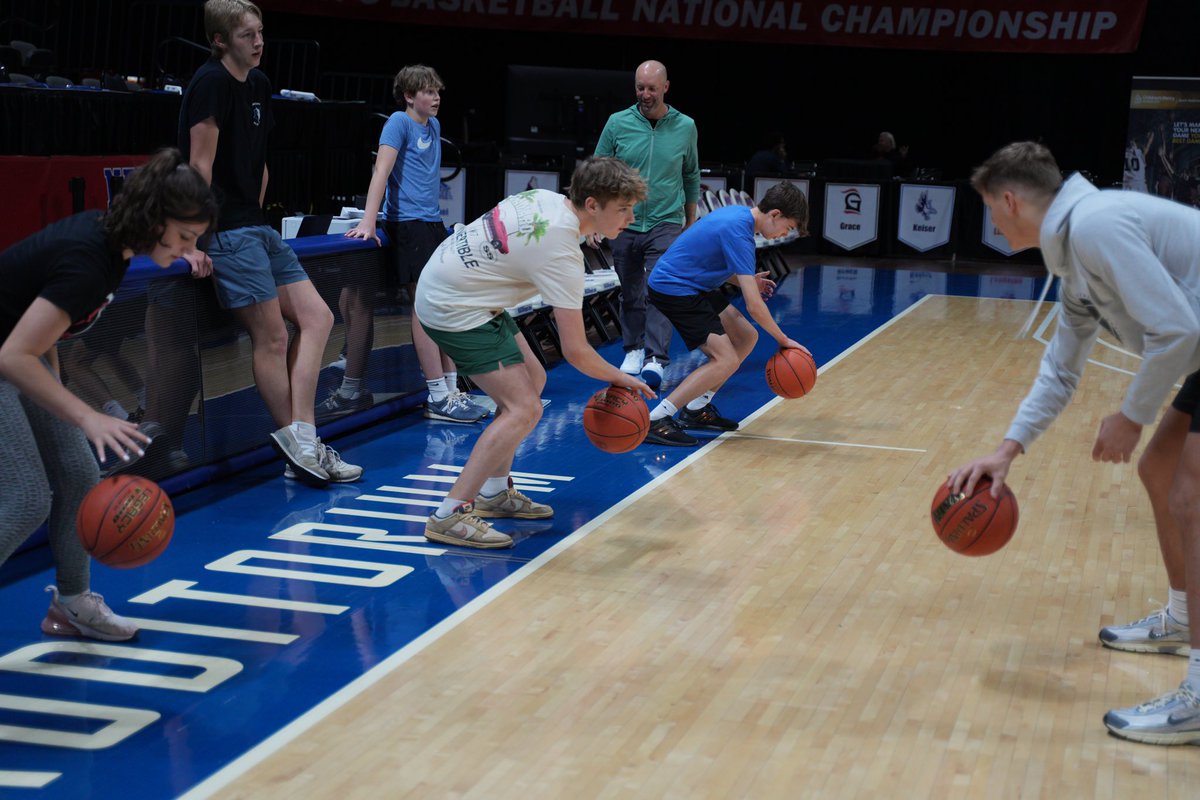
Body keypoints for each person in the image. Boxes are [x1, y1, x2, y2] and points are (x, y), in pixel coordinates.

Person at [947, 141, 1200, 746]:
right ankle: (1182, 619)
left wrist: (1132, 415)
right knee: (1161, 472)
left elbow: (1178, 329)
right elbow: (1060, 371)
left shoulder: (1096, 226)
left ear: (1010, 200)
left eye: (990, 209)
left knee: (1190, 496)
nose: (992, 222)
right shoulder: (1076, 255)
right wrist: (1007, 451)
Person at [0, 148, 216, 641]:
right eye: (184, 237)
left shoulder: (113, 250)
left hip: (15, 354)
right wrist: (86, 416)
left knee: (79, 473)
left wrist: (64, 408)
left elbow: (43, 336)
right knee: (26, 497)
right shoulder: (89, 258)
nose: (187, 250)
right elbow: (12, 356)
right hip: (5, 358)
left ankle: (73, 605)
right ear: (154, 218)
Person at [415, 157, 655, 549]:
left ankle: (494, 493)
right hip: (454, 304)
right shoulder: (561, 253)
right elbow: (576, 351)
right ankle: (450, 515)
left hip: (458, 282)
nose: (631, 217)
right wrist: (621, 376)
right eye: (623, 209)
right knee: (523, 408)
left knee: (534, 382)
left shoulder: (547, 198)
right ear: (592, 205)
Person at [179, 0, 361, 486]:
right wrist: (196, 240)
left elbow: (258, 161)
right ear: (220, 41)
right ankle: (302, 445)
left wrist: (256, 214)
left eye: (260, 32)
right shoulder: (209, 84)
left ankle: (302, 435)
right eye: (246, 36)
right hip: (226, 232)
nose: (259, 42)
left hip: (255, 226)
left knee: (319, 318)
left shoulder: (259, 84)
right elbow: (199, 166)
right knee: (273, 337)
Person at [345, 63, 486, 424]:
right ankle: (438, 395)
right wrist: (368, 220)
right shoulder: (398, 122)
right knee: (425, 307)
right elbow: (382, 171)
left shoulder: (434, 125)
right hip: (406, 225)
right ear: (409, 96)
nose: (436, 97)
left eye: (438, 91)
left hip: (430, 223)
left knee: (444, 304)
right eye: (427, 91)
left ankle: (453, 390)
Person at [642, 181, 810, 446]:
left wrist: (747, 280)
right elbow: (755, 306)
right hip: (674, 287)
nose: (782, 234)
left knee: (746, 336)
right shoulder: (739, 230)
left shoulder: (740, 217)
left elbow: (706, 259)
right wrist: (784, 340)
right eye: (787, 227)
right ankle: (657, 419)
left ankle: (697, 409)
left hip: (693, 283)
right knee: (725, 359)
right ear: (775, 214)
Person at [594, 59, 700, 390]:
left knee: (660, 288)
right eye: (640, 87)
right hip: (623, 223)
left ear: (665, 87)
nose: (645, 94)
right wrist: (596, 219)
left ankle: (656, 358)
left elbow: (691, 174)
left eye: (652, 88)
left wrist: (690, 220)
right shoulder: (617, 123)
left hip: (666, 220)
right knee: (630, 291)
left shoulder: (686, 126)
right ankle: (633, 348)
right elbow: (597, 170)